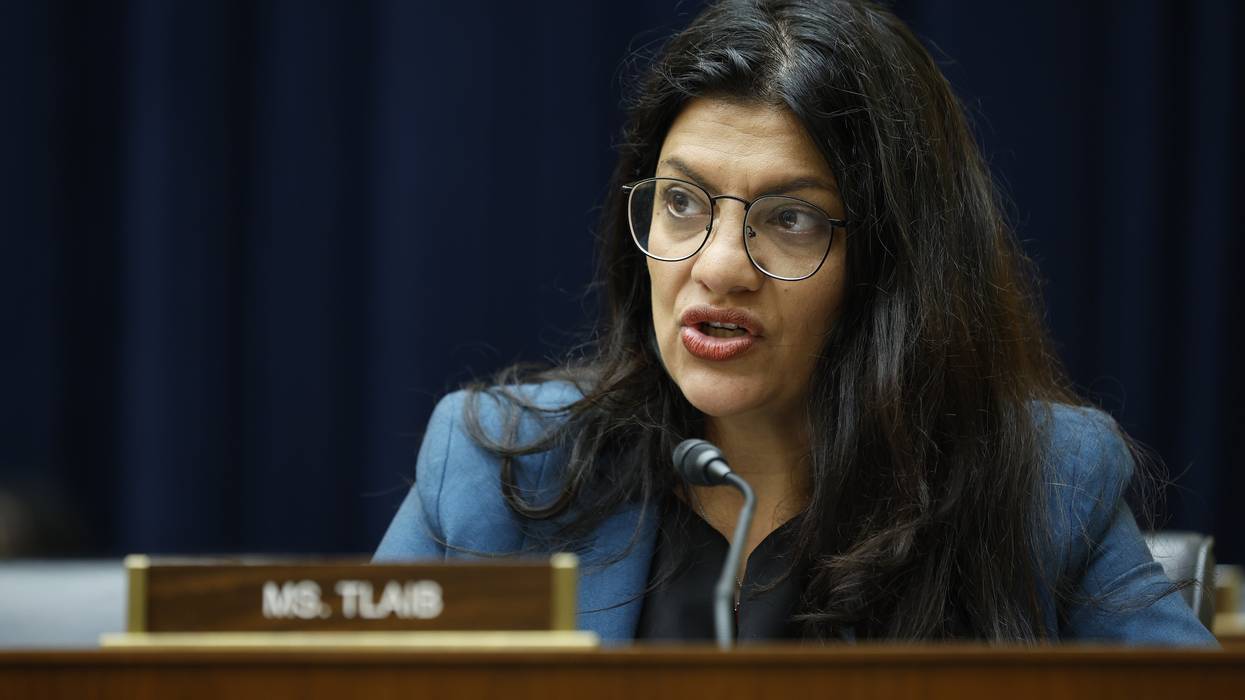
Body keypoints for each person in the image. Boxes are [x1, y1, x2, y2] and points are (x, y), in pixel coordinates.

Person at [375, 0, 1215, 645]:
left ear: (889, 263)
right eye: (680, 203)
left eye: (790, 219)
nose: (716, 267)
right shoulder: (498, 475)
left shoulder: (1035, 488)